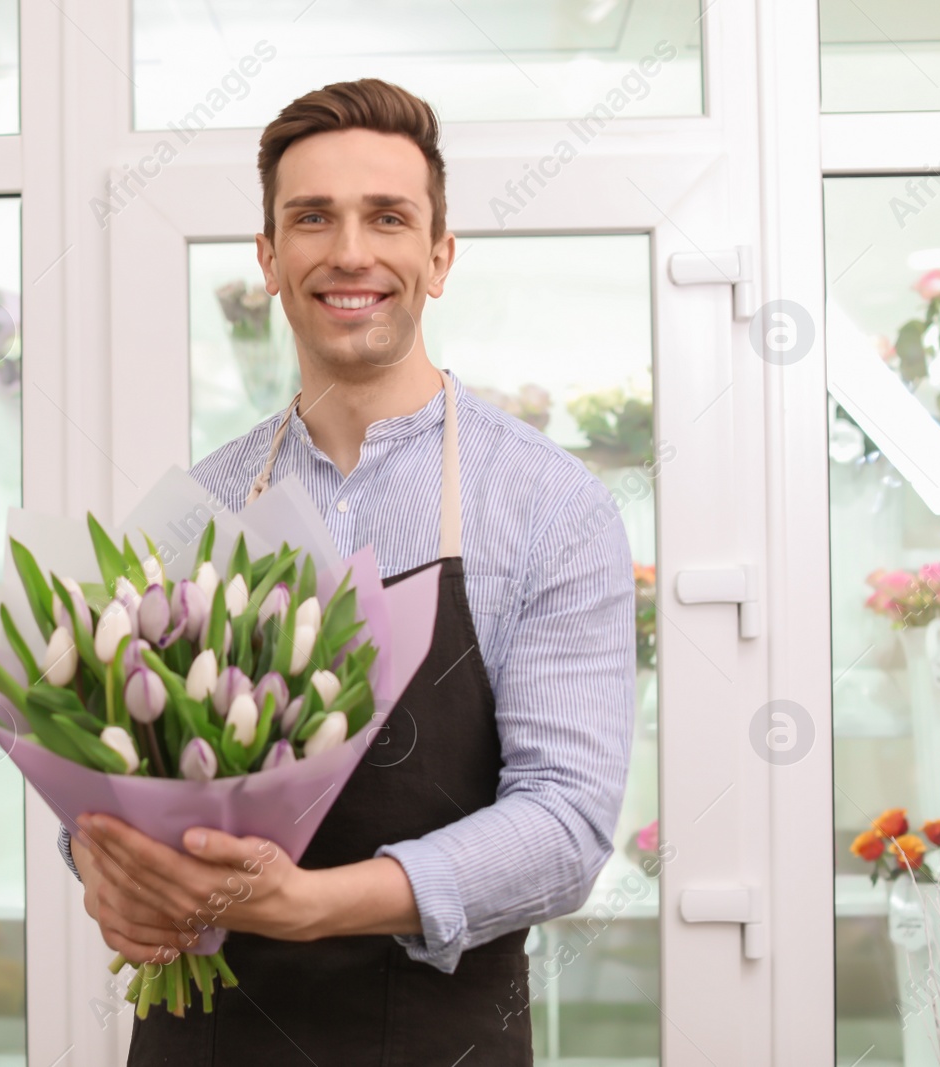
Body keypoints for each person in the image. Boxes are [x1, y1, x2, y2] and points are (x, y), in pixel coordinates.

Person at [60, 78, 636, 1065]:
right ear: (269, 259)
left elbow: (564, 823)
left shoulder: (548, 503)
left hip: (432, 1036)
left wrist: (309, 904)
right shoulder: (201, 503)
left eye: (388, 217)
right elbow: (104, 765)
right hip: (202, 1037)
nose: (350, 251)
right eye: (312, 218)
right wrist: (98, 864)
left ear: (439, 257)